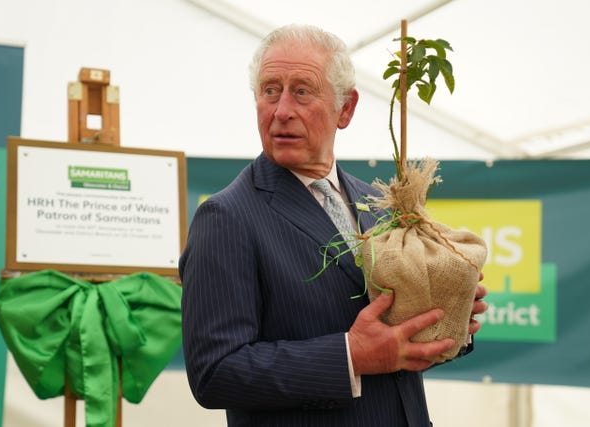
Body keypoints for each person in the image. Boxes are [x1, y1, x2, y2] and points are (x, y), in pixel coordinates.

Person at [180, 24, 488, 427]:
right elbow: (214, 373)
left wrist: (443, 321)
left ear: (346, 108)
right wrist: (351, 356)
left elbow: (394, 354)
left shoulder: (380, 207)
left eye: (302, 91)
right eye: (270, 90)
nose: (282, 109)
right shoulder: (226, 217)